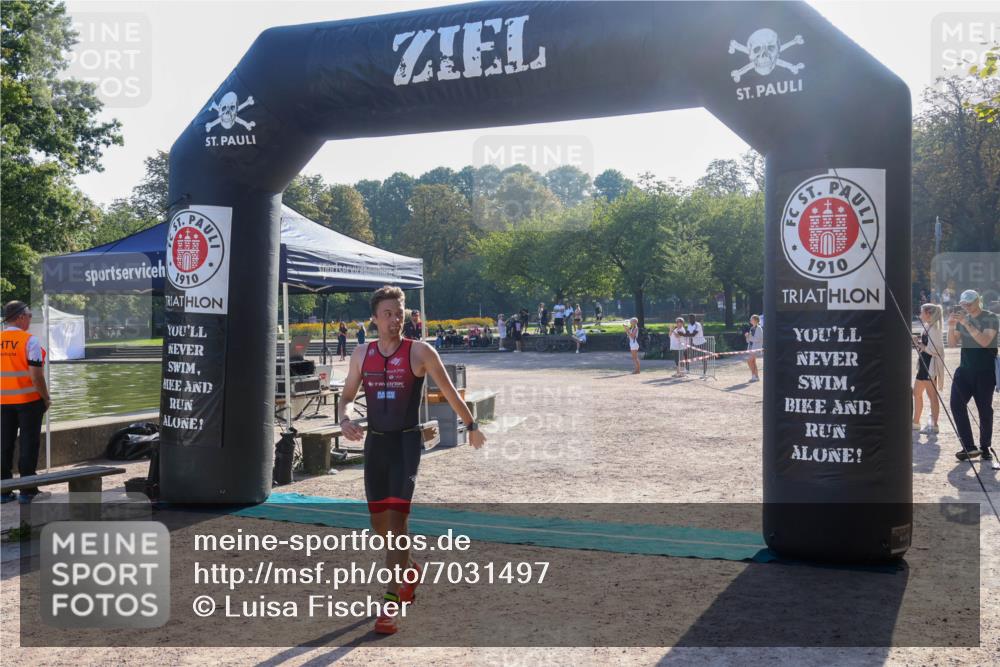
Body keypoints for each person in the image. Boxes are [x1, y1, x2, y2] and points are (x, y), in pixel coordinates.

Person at [339, 286, 486, 635]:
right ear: (374, 318)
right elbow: (346, 397)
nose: (395, 319)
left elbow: (450, 392)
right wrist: (345, 420)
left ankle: (390, 603)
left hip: (406, 447)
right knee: (382, 527)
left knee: (396, 522)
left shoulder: (420, 352)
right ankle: (409, 570)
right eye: (388, 313)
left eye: (399, 312)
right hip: (375, 446)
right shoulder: (361, 354)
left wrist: (472, 425)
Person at [1, 302, 51, 504]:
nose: (30, 318)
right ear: (20, 316)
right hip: (29, 401)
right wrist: (46, 398)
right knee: (29, 444)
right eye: (29, 314)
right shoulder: (29, 341)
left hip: (3, 401)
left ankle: (3, 491)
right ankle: (27, 490)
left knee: (4, 444)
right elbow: (36, 377)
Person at [948, 290, 998, 462]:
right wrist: (951, 325)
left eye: (969, 303)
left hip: (985, 371)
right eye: (963, 304)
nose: (966, 307)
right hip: (964, 370)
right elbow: (953, 343)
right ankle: (969, 446)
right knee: (956, 404)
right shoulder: (963, 318)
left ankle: (985, 447)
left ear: (978, 301)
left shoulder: (990, 317)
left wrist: (967, 323)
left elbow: (985, 341)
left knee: (984, 410)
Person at [913, 303, 944, 434]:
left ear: (928, 314)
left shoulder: (935, 329)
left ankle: (934, 424)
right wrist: (918, 343)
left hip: (930, 366)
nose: (920, 314)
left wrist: (919, 344)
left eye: (922, 312)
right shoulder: (927, 326)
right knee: (916, 393)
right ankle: (915, 422)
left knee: (932, 396)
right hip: (923, 363)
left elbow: (936, 350)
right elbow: (925, 346)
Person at [745, 314, 764, 383]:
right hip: (750, 348)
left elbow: (758, 339)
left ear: (755, 320)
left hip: (756, 348)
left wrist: (749, 337)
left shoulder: (759, 328)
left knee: (749, 361)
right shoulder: (751, 328)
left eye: (751, 319)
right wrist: (747, 336)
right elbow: (748, 341)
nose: (750, 320)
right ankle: (756, 377)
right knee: (753, 362)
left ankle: (754, 376)